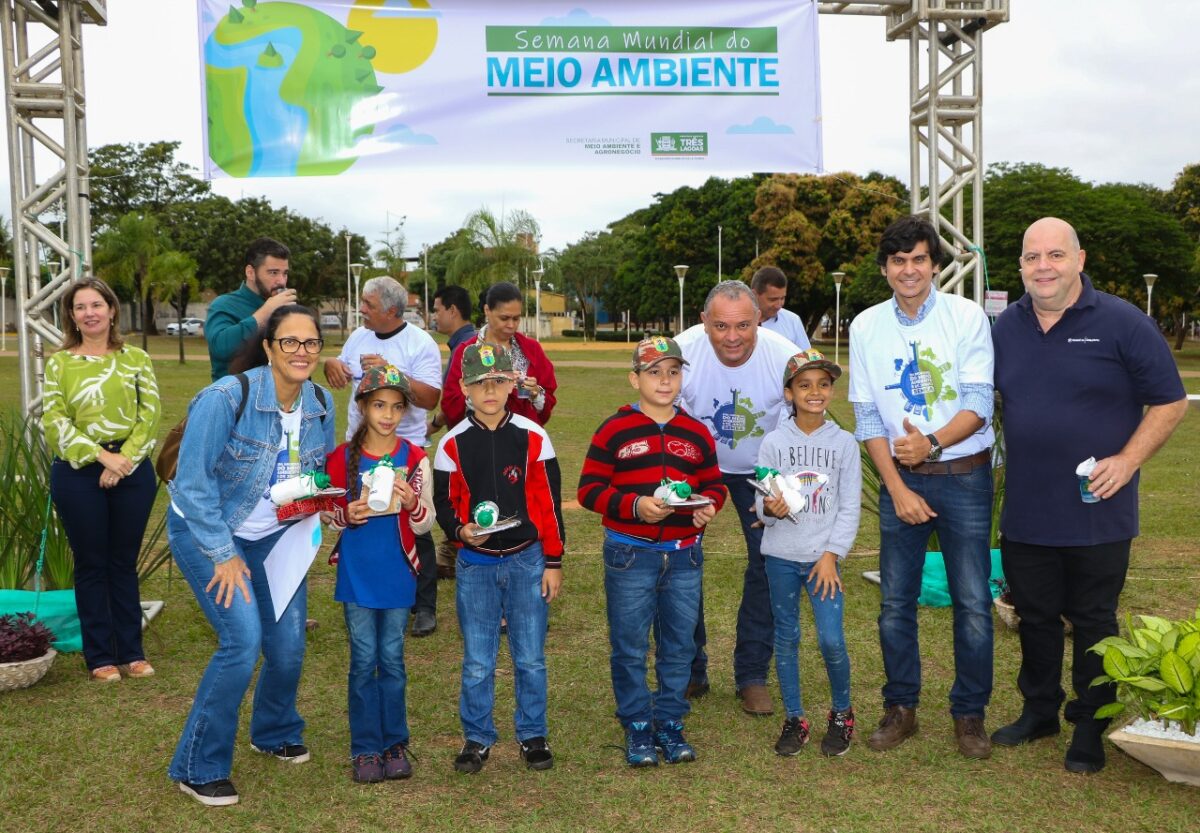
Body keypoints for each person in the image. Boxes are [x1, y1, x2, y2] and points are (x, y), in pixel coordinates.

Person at [990, 217, 1188, 773]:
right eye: (1033, 258)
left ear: (1080, 259)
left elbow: (1170, 401)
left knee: (1095, 619)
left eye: (1056, 255)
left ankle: (1091, 724)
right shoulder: (1005, 327)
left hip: (1098, 509)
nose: (1044, 267)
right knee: (1034, 616)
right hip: (1028, 509)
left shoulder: (1124, 322)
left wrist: (1127, 460)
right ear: (1022, 267)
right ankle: (1039, 711)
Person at [166, 304, 335, 807]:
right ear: (268, 346)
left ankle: (274, 729)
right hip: (210, 531)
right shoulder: (225, 397)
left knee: (286, 647)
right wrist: (222, 554)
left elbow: (313, 477)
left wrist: (330, 506)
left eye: (311, 343)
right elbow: (192, 486)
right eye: (290, 342)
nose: (301, 352)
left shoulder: (321, 402)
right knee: (242, 641)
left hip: (276, 537)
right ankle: (197, 766)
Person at [848, 214, 996, 759]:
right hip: (901, 483)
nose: (908, 270)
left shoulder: (967, 317)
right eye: (898, 260)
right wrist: (899, 486)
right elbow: (866, 416)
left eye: (918, 259)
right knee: (894, 603)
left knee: (975, 601)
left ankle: (969, 714)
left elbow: (979, 405)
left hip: (965, 475)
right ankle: (901, 707)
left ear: (934, 264)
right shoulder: (865, 326)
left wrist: (929, 443)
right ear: (885, 268)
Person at [577, 337, 726, 767]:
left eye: (673, 372)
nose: (665, 380)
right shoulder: (614, 429)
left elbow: (713, 484)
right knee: (629, 646)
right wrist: (635, 506)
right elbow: (589, 490)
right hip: (630, 554)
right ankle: (638, 725)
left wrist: (708, 506)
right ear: (634, 378)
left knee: (678, 645)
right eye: (654, 372)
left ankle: (670, 721)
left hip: (684, 556)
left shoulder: (696, 432)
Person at [433, 343, 565, 774]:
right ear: (463, 388)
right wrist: (459, 531)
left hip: (527, 560)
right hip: (476, 564)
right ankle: (477, 737)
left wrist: (553, 562)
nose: (489, 390)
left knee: (529, 655)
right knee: (477, 658)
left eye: (498, 381)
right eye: (479, 383)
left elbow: (550, 505)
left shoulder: (533, 436)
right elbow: (444, 503)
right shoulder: (451, 444)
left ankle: (532, 734)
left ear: (513, 384)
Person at [675, 280, 801, 715]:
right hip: (696, 464)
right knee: (680, 558)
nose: (732, 337)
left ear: (759, 321)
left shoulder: (784, 356)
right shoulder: (681, 352)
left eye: (743, 325)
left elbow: (798, 424)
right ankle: (689, 670)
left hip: (762, 467)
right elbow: (666, 417)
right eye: (721, 326)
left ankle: (752, 675)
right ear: (703, 322)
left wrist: (779, 488)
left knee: (768, 562)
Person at [42, 277, 161, 683]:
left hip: (131, 470)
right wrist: (103, 458)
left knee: (123, 563)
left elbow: (151, 414)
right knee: (92, 564)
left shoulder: (136, 358)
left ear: (112, 310)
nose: (89, 313)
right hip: (78, 470)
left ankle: (131, 651)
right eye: (80, 307)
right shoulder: (60, 363)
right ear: (72, 316)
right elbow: (54, 420)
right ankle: (99, 657)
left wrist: (123, 461)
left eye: (96, 304)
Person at [324, 365, 435, 784]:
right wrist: (346, 515)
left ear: (405, 411)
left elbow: (425, 524)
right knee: (362, 662)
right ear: (363, 407)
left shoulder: (415, 457)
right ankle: (365, 749)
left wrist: (411, 505)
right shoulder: (343, 458)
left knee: (392, 661)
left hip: (398, 573)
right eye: (378, 405)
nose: (387, 415)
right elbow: (328, 514)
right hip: (357, 573)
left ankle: (395, 743)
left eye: (396, 407)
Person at [324, 276, 443, 637]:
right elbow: (342, 373)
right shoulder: (358, 335)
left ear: (391, 310)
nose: (362, 310)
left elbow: (430, 398)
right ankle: (367, 593)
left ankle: (423, 606)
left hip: (404, 450)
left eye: (369, 304)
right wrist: (332, 363)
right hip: (359, 448)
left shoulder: (420, 343)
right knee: (362, 519)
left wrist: (393, 373)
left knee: (412, 525)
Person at [755, 349, 861, 757]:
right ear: (789, 393)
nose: (814, 392)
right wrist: (771, 508)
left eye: (823, 384)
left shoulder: (845, 444)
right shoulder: (774, 443)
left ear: (832, 391)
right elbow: (764, 501)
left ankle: (841, 713)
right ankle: (795, 717)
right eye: (804, 385)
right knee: (787, 638)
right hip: (781, 556)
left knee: (831, 640)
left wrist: (832, 555)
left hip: (823, 563)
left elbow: (849, 506)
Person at [441, 282, 557, 428]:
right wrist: (479, 389)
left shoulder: (531, 349)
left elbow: (548, 401)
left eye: (516, 319)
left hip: (523, 441)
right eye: (504, 318)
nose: (511, 325)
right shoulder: (466, 352)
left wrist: (535, 393)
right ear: (487, 310)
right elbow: (450, 405)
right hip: (479, 440)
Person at [427, 284, 477, 578]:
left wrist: (435, 424)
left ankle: (456, 552)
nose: (435, 316)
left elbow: (456, 402)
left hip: (469, 437)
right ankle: (450, 552)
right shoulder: (463, 344)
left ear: (452, 311)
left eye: (437, 310)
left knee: (461, 494)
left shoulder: (466, 346)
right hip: (464, 434)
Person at [205, 237, 296, 381]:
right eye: (273, 273)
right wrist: (265, 313)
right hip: (236, 398)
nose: (281, 280)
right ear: (250, 272)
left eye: (285, 273)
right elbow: (220, 348)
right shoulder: (224, 304)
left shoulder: (286, 309)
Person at [752, 266, 811, 349]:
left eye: (782, 298)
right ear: (754, 294)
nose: (779, 305)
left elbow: (808, 358)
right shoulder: (736, 320)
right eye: (773, 299)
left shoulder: (793, 321)